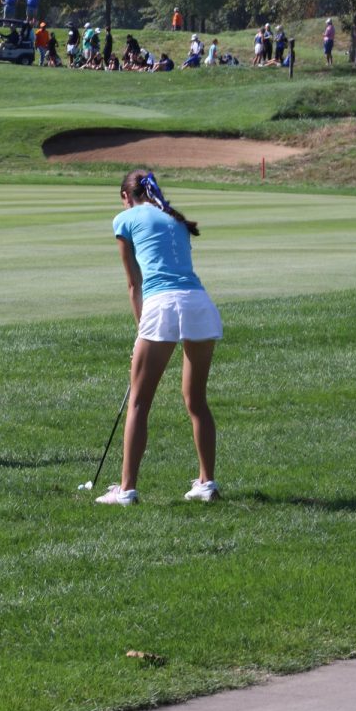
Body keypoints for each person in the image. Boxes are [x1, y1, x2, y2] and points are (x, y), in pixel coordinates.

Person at [95, 170, 223, 506]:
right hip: (199, 304)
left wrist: (142, 331)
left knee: (139, 401)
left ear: (126, 196)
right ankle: (206, 483)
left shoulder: (124, 218)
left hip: (163, 306)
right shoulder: (174, 218)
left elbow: (134, 283)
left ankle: (125, 490)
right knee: (196, 400)